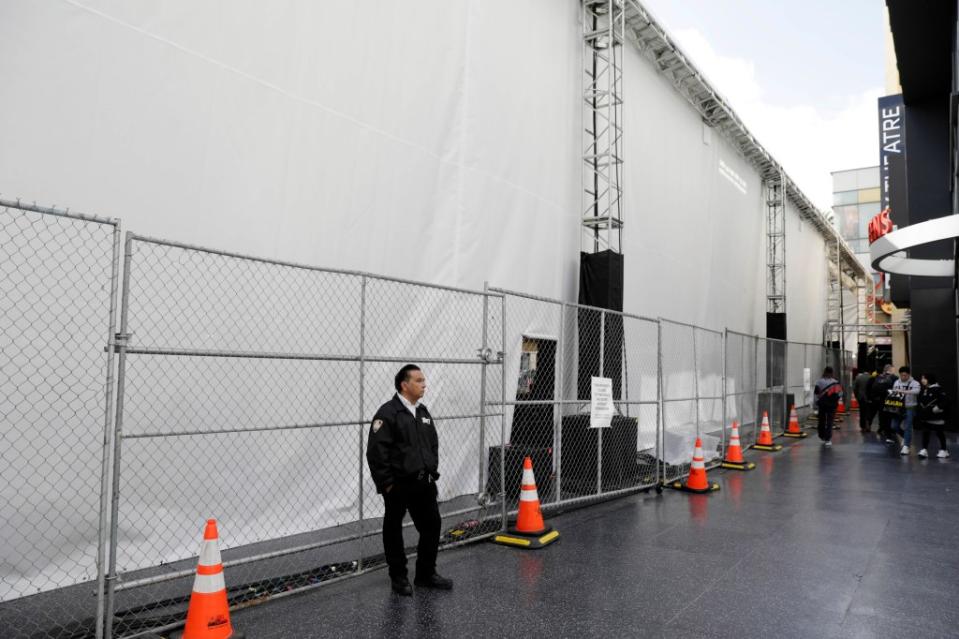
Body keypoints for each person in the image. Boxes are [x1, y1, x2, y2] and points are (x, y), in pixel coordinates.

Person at [366, 364, 453, 596]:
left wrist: (431, 470)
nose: (424, 384)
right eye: (419, 380)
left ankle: (425, 574)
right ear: (405, 385)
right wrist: (388, 484)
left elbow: (432, 444)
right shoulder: (387, 413)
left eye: (424, 380)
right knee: (394, 529)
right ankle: (399, 578)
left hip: (423, 483)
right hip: (398, 485)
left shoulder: (423, 412)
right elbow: (376, 452)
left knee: (432, 525)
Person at [888, 366, 921, 455]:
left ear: (909, 375)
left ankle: (906, 446)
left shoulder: (914, 383)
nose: (903, 377)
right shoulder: (896, 382)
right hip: (898, 407)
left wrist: (904, 392)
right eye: (901, 375)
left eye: (905, 375)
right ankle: (905, 438)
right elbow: (894, 392)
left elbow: (917, 391)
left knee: (908, 426)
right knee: (894, 426)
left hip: (910, 407)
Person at [917, 373, 950, 459]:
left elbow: (945, 401)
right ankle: (924, 449)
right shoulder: (924, 389)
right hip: (926, 417)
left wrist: (938, 407)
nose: (922, 380)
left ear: (930, 379)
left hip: (937, 416)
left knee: (939, 433)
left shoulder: (938, 389)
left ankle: (944, 450)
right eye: (922, 378)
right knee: (925, 433)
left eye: (924, 378)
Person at [814, 366, 843, 446]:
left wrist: (816, 404)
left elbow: (816, 394)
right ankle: (828, 439)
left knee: (821, 421)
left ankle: (822, 436)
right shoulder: (835, 382)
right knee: (830, 422)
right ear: (832, 373)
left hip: (822, 404)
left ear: (825, 372)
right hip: (832, 405)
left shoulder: (819, 382)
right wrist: (835, 400)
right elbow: (840, 393)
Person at [871, 364, 898, 442]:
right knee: (890, 416)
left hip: (880, 400)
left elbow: (873, 388)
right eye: (893, 369)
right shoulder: (894, 378)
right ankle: (889, 432)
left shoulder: (878, 377)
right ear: (890, 370)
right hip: (891, 400)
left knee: (882, 415)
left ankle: (882, 428)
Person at [853, 368, 872, 432]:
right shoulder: (871, 377)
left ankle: (862, 427)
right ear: (869, 371)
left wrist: (856, 396)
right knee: (869, 412)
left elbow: (855, 388)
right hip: (869, 398)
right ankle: (868, 425)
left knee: (862, 412)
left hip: (861, 397)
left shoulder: (858, 378)